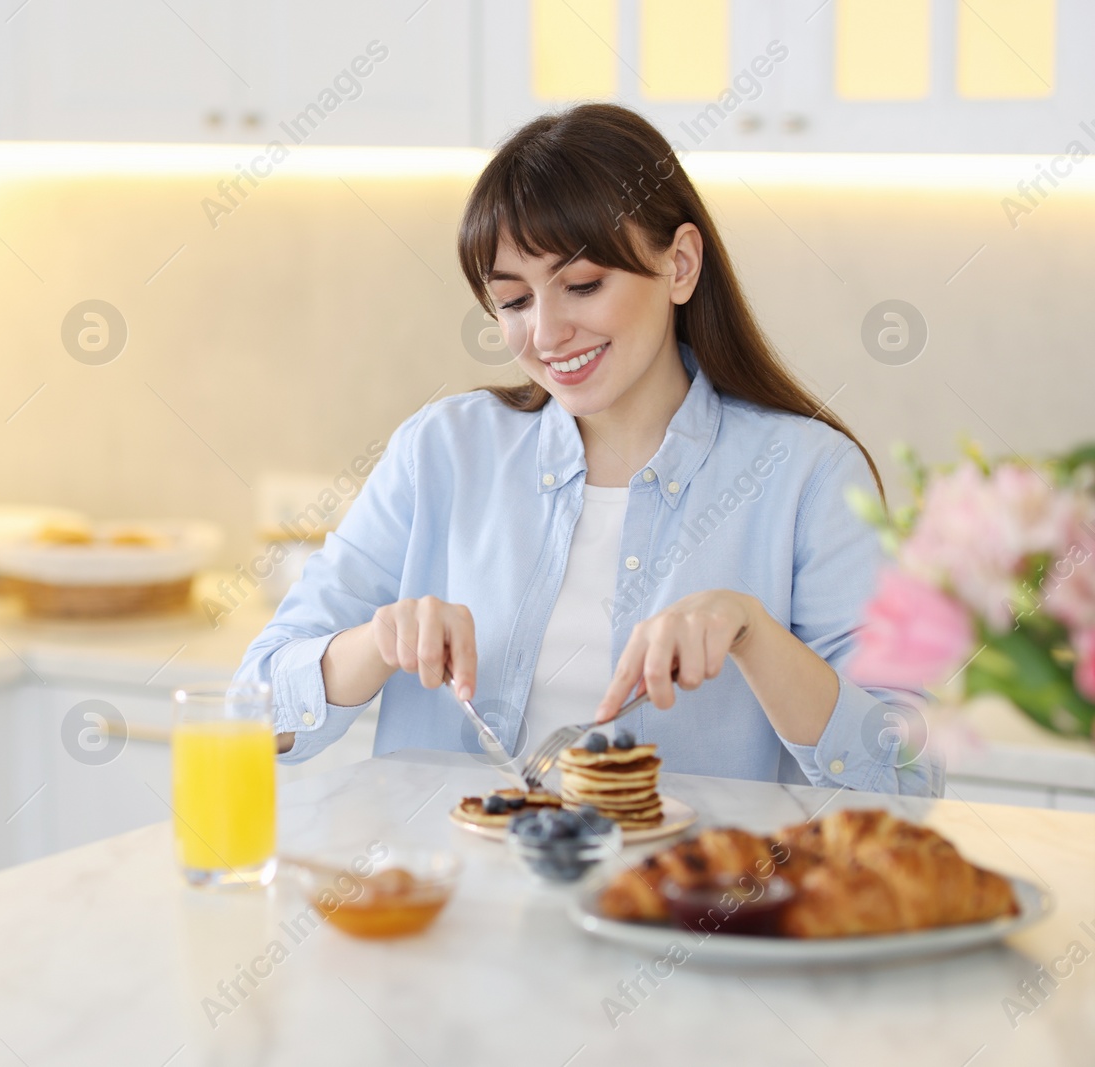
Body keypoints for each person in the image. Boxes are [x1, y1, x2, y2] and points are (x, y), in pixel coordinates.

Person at [235, 104, 938, 796]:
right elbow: (250, 708)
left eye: (582, 286)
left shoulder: (808, 475)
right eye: (513, 301)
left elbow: (907, 775)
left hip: (687, 907)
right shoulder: (443, 451)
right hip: (450, 902)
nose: (545, 333)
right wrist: (374, 644)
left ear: (681, 265)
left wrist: (756, 635)